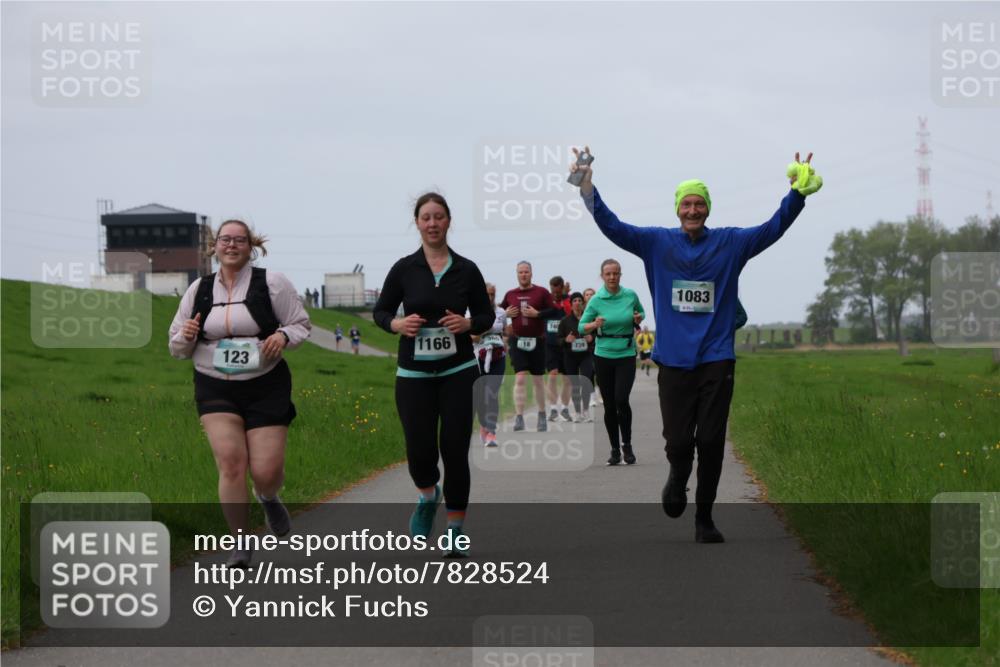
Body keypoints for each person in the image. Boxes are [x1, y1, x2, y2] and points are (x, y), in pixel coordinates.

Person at [570, 146, 822, 542]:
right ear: (677, 209)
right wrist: (587, 187)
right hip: (672, 360)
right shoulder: (656, 243)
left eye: (699, 204)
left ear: (708, 208)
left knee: (711, 440)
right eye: (686, 204)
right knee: (680, 441)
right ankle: (677, 474)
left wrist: (797, 193)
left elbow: (773, 228)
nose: (692, 210)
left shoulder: (731, 244)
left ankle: (704, 517)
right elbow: (613, 227)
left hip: (716, 358)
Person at [168, 219, 311, 568]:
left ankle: (267, 497)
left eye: (239, 240)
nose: (231, 245)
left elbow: (300, 323)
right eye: (224, 240)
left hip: (266, 384)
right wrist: (186, 335)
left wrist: (282, 336)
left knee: (265, 471)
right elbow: (175, 347)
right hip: (214, 383)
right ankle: (239, 543)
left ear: (251, 246)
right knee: (231, 463)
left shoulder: (272, 283)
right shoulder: (198, 290)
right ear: (214, 247)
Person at [373, 192, 493, 558]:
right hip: (413, 374)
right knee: (419, 449)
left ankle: (455, 530)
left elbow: (486, 317)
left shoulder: (466, 269)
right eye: (426, 217)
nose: (432, 223)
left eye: (439, 216)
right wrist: (396, 323)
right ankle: (428, 495)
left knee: (454, 450)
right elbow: (381, 312)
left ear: (448, 221)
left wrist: (469, 323)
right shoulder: (404, 269)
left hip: (458, 371)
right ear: (417, 223)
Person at [579, 259, 644, 466]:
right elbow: (581, 327)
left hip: (625, 353)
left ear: (620, 275)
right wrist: (594, 323)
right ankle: (615, 449)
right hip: (603, 354)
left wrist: (638, 317)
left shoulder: (630, 295)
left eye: (615, 273)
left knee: (621, 399)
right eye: (608, 274)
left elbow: (641, 312)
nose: (612, 277)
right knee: (609, 404)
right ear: (602, 276)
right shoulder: (597, 300)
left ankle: (627, 444)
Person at [499, 262, 562, 432]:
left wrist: (538, 314)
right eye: (520, 272)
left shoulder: (541, 292)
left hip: (538, 341)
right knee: (519, 377)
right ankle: (519, 417)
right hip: (517, 340)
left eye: (526, 272)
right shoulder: (510, 294)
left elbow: (556, 311)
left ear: (531, 273)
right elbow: (498, 312)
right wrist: (506, 314)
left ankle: (542, 414)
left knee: (537, 380)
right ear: (517, 274)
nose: (524, 275)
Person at [472, 282, 508, 447]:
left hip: (498, 357)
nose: (490, 297)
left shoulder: (501, 312)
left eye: (492, 294)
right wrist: (484, 332)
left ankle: (491, 432)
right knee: (480, 396)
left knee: (492, 393)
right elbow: (472, 336)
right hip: (478, 357)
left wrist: (504, 342)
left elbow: (504, 332)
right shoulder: (471, 311)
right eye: (487, 294)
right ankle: (483, 426)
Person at [557, 292, 595, 423]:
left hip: (586, 355)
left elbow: (597, 335)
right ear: (571, 304)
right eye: (575, 301)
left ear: (583, 303)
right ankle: (578, 412)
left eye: (580, 300)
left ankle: (586, 411)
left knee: (585, 381)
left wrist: (592, 338)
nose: (577, 303)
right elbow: (558, 340)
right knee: (575, 385)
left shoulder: (589, 320)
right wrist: (566, 340)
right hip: (570, 356)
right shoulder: (565, 321)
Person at [544, 276, 574, 422]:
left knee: (567, 378)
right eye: (552, 290)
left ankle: (565, 408)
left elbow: (571, 314)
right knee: (553, 374)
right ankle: (553, 408)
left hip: (565, 344)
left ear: (562, 287)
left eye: (557, 290)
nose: (554, 293)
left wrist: (565, 298)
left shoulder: (568, 301)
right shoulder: (546, 300)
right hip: (550, 344)